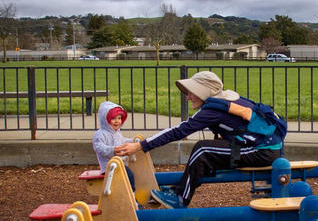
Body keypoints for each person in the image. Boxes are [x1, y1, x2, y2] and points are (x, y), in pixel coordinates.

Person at [114, 71, 283, 208]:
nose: (188, 97)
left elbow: (178, 131)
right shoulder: (228, 101)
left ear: (204, 91)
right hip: (266, 149)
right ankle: (179, 190)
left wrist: (141, 146)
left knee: (203, 149)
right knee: (206, 149)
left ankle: (180, 199)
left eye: (191, 92)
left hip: (261, 151)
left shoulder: (213, 110)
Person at [93, 101, 135, 190]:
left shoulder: (117, 133)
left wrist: (133, 141)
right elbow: (99, 147)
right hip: (109, 167)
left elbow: (123, 141)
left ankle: (130, 195)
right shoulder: (100, 134)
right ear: (106, 120)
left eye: (119, 118)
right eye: (113, 119)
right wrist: (112, 150)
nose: (117, 121)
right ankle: (132, 196)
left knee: (131, 174)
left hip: (119, 164)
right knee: (129, 175)